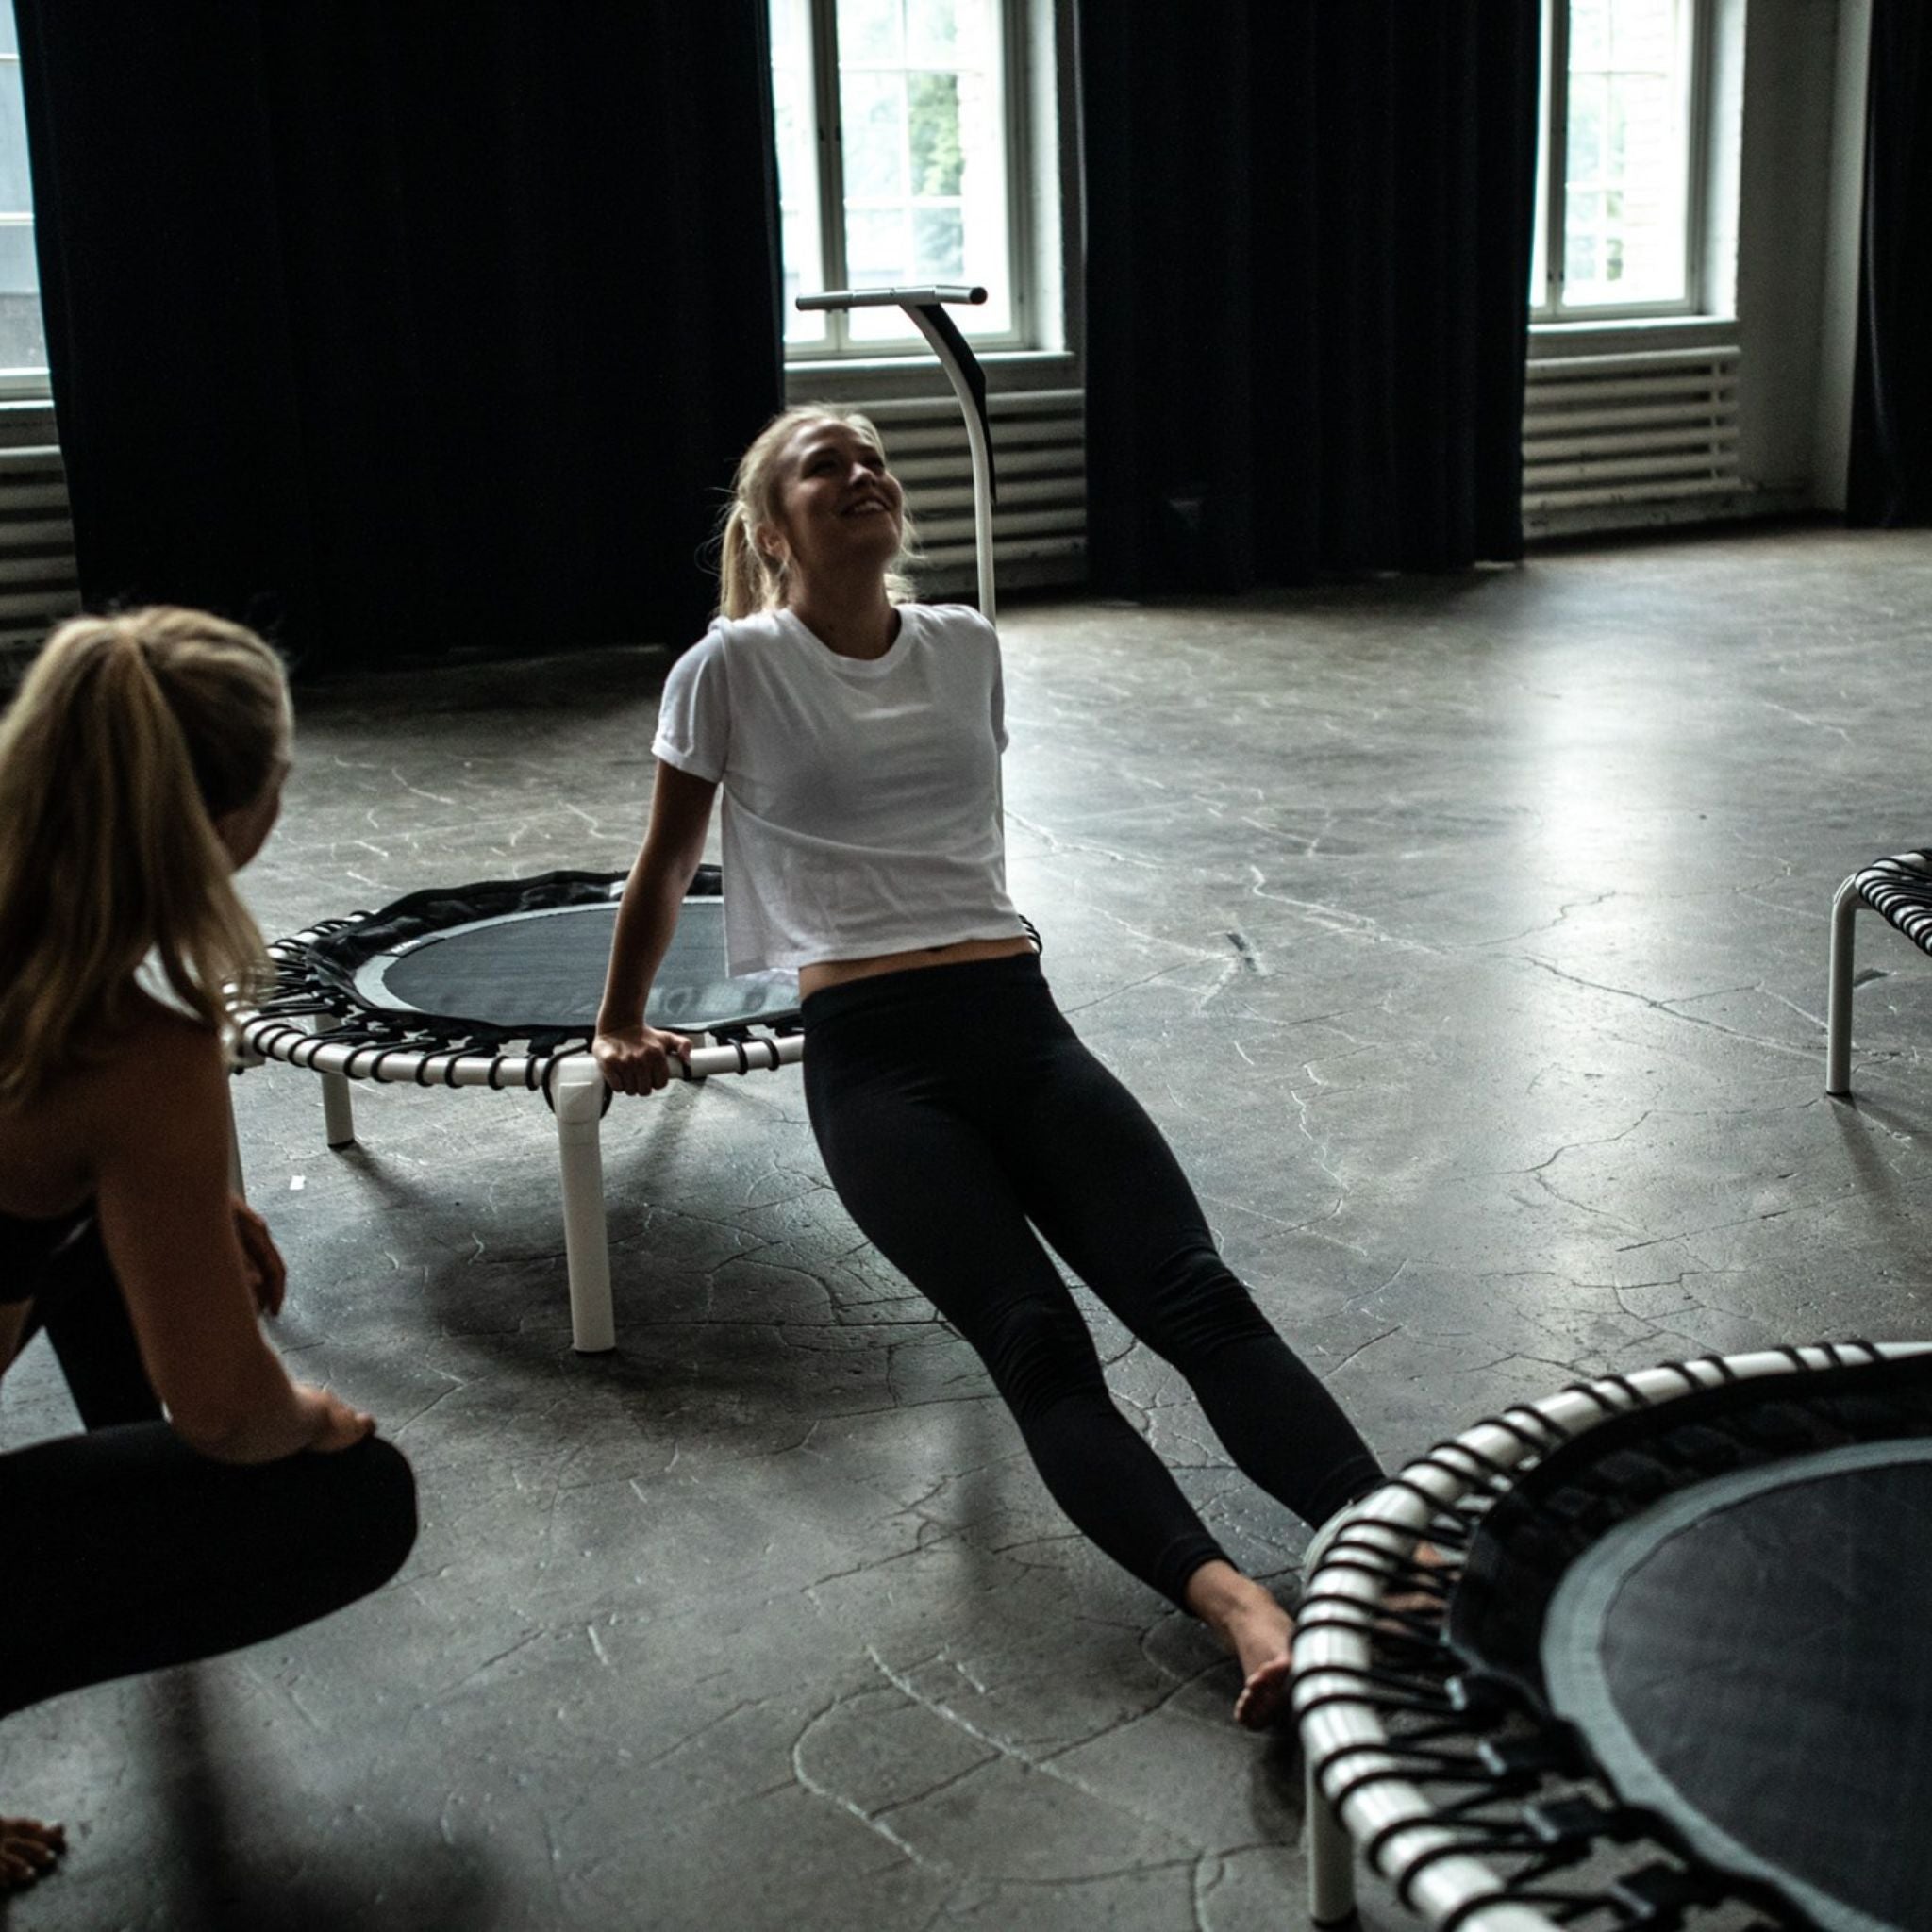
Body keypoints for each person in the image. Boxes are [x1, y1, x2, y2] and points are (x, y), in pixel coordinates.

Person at [594, 407, 1391, 1727]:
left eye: (872, 457)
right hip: (874, 1065)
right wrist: (620, 1018)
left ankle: (1389, 1541)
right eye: (823, 466)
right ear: (772, 527)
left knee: (1196, 1297)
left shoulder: (965, 645)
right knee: (1036, 1344)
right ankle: (1239, 1607)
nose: (863, 475)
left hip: (1021, 1024)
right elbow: (668, 862)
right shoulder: (727, 667)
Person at [0, 608, 418, 1891]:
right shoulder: (132, 1052)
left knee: (108, 1240)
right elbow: (231, 1413)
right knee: (354, 1498)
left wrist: (163, 1206)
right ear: (231, 825)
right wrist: (314, 1413)